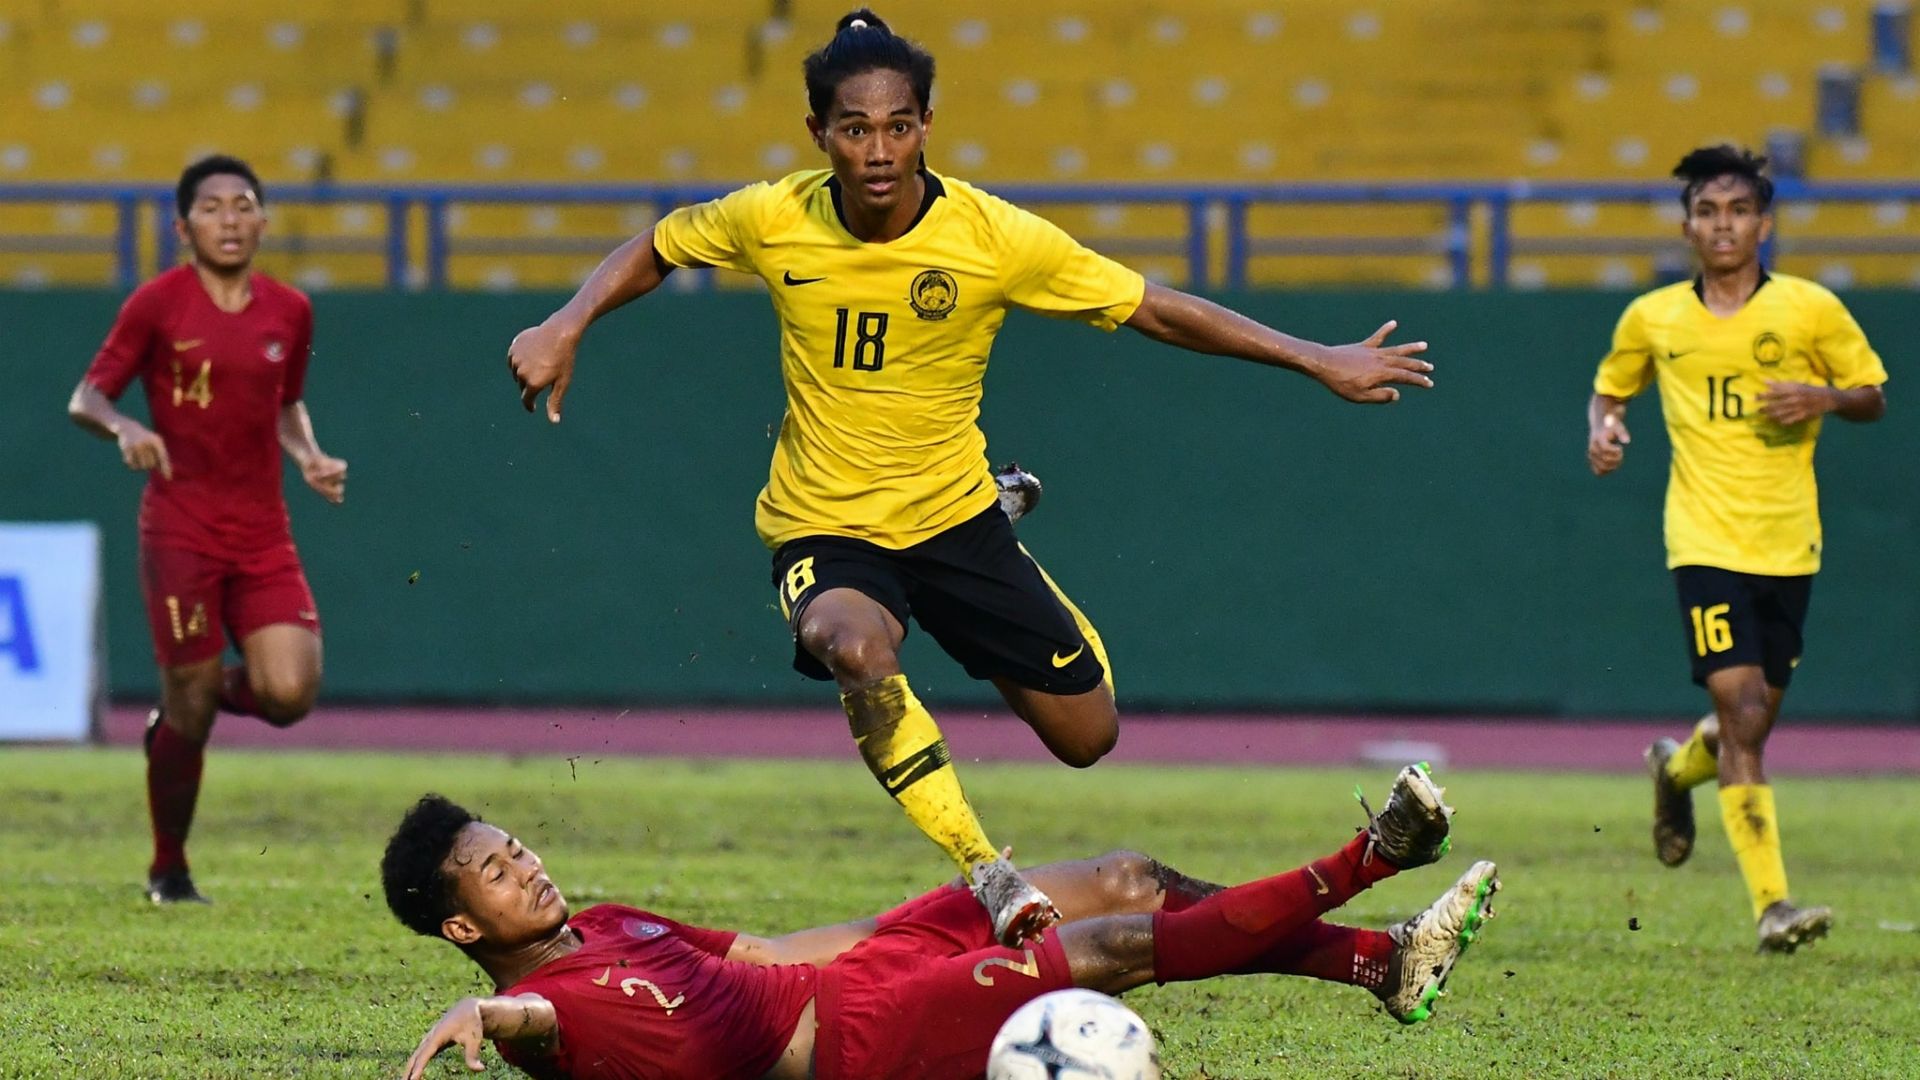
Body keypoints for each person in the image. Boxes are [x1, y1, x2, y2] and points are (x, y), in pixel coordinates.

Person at [504, 9, 1436, 946]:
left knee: (1089, 738)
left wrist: (1315, 356)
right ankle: (989, 872)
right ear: (818, 134)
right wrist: (566, 322)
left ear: (926, 126)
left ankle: (1003, 519)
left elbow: (1155, 309)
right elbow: (660, 245)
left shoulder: (992, 236)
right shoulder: (771, 215)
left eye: (898, 125)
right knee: (852, 645)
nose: (878, 150)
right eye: (855, 129)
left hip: (954, 523)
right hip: (825, 526)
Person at [384, 764, 1499, 1080]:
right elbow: (528, 1020)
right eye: (490, 871)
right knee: (1106, 957)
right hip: (857, 1046)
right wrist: (484, 1011)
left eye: (514, 845)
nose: (523, 866)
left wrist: (935, 917)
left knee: (1120, 879)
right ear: (463, 930)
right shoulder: (550, 1008)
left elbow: (767, 955)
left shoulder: (611, 921)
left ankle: (1382, 967)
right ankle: (1369, 862)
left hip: (862, 973)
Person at [1586, 145, 1888, 952]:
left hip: (1790, 544)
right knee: (1744, 714)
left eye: (1738, 211)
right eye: (1708, 211)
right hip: (1703, 538)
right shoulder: (1653, 318)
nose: (1723, 225)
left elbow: (1871, 395)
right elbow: (1612, 387)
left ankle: (1675, 770)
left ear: (1764, 222)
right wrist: (1603, 430)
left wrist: (1821, 395)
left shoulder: (1810, 310)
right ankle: (1773, 906)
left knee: (1745, 727)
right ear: (1687, 225)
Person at [67, 154, 349, 904]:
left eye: (243, 205)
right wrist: (124, 427)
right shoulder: (157, 304)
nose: (230, 219)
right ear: (183, 226)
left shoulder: (290, 310)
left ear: (263, 220)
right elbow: (87, 397)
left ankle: (186, 699)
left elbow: (286, 405)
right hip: (180, 531)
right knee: (191, 713)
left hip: (262, 531)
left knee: (289, 692)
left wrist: (310, 455)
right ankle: (169, 868)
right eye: (214, 207)